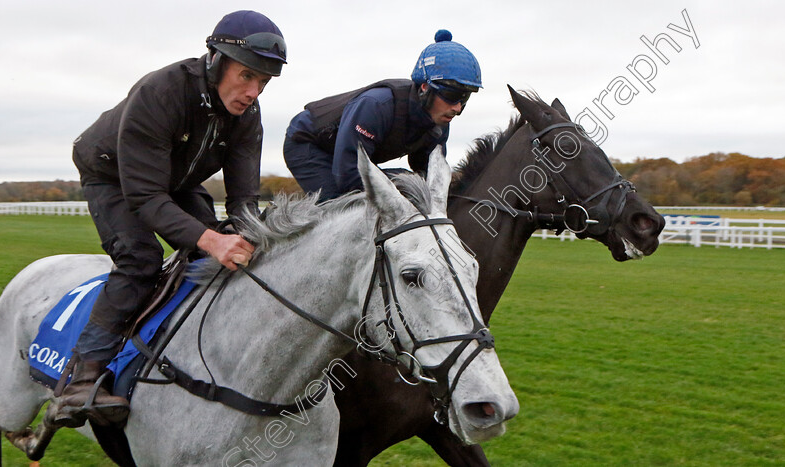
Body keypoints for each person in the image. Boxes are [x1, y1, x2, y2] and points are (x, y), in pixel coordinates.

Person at [57, 10, 287, 427]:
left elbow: (243, 201)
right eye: (246, 76)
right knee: (140, 259)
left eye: (264, 83)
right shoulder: (161, 91)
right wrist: (211, 240)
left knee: (219, 249)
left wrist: (253, 239)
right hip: (112, 175)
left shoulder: (247, 116)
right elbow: (144, 196)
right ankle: (82, 378)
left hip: (175, 179)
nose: (253, 92)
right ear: (216, 62)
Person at [283, 29, 481, 202]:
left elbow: (429, 179)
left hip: (347, 154)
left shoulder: (440, 120)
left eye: (464, 98)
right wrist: (403, 179)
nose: (457, 108)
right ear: (425, 88)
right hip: (308, 142)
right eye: (452, 95)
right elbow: (349, 177)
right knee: (342, 205)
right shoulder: (376, 105)